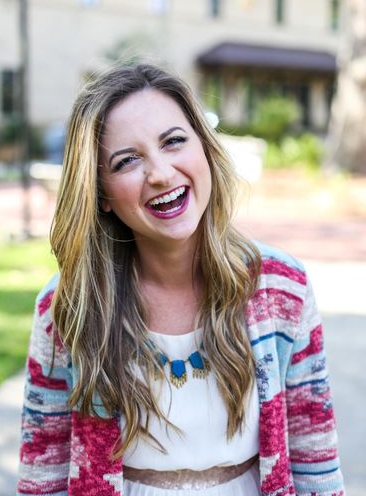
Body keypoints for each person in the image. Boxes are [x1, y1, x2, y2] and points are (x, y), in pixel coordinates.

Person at [17, 63, 344, 496]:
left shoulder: (282, 289)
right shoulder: (69, 305)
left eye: (173, 142)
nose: (161, 173)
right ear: (101, 195)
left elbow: (316, 464)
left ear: (205, 150)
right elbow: (43, 477)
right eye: (127, 160)